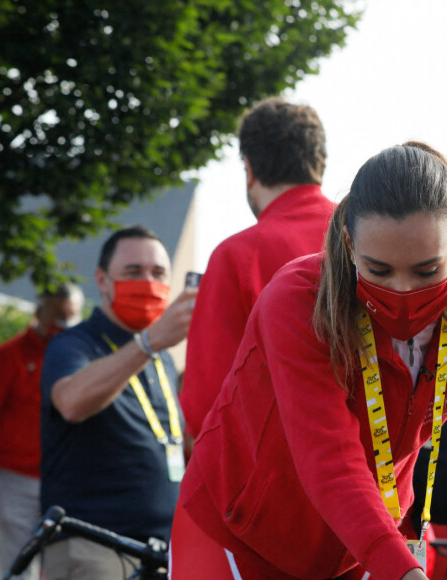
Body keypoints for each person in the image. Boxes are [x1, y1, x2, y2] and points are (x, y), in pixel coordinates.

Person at [170, 143, 447, 580]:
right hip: (238, 534)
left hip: (361, 542)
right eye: (378, 270)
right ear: (349, 244)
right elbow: (329, 455)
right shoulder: (297, 299)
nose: (403, 291)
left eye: (428, 272)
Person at [40, 225, 197, 580]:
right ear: (102, 280)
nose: (147, 282)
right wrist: (148, 343)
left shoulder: (162, 357)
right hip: (92, 544)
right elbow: (71, 402)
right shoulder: (74, 344)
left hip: (163, 549)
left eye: (158, 273)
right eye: (132, 272)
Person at [180, 97, 336, 441]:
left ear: (248, 169)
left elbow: (208, 401)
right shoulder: (365, 237)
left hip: (274, 474)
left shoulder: (236, 255)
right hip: (381, 477)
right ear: (320, 162)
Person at [0, 283, 85, 580]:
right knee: (18, 567)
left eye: (70, 319)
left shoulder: (82, 357)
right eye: (57, 318)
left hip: (66, 481)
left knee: (67, 567)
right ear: (39, 313)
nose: (63, 326)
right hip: (14, 481)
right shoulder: (8, 356)